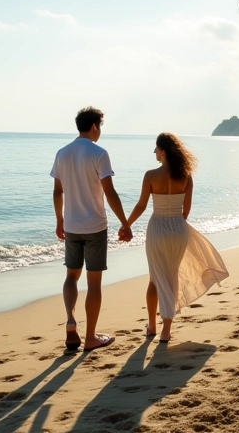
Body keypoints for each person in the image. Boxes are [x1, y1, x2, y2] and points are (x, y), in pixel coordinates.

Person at [121, 132, 228, 343]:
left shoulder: (150, 176)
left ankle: (151, 325)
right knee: (171, 276)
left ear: (162, 151)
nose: (154, 153)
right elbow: (186, 211)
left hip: (157, 228)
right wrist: (176, 223)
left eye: (155, 149)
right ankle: (166, 330)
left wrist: (126, 225)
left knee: (154, 278)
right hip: (178, 228)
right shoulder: (186, 176)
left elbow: (141, 205)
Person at [51, 107, 132, 352]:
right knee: (93, 282)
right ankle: (90, 338)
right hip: (95, 226)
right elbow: (110, 192)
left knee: (71, 276)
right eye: (100, 127)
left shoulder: (62, 153)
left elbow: (57, 192)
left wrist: (59, 221)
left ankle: (71, 320)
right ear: (95, 126)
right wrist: (125, 223)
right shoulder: (99, 153)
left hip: (72, 225)